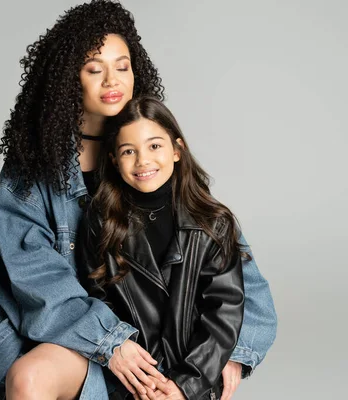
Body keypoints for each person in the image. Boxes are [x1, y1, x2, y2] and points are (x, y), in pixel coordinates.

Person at [0, 1, 277, 400]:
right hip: (61, 335)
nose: (112, 80)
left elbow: (233, 265)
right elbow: (36, 278)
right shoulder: (33, 168)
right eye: (94, 69)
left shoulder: (147, 152)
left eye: (122, 66)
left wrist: (233, 354)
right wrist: (108, 340)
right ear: (68, 80)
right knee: (29, 378)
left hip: (152, 345)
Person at [79, 96, 246, 400]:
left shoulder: (213, 223)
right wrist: (141, 379)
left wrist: (183, 386)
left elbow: (223, 316)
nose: (143, 161)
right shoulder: (101, 221)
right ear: (115, 160)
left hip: (194, 381)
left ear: (177, 150)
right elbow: (97, 300)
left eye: (155, 146)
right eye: (129, 151)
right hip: (129, 379)